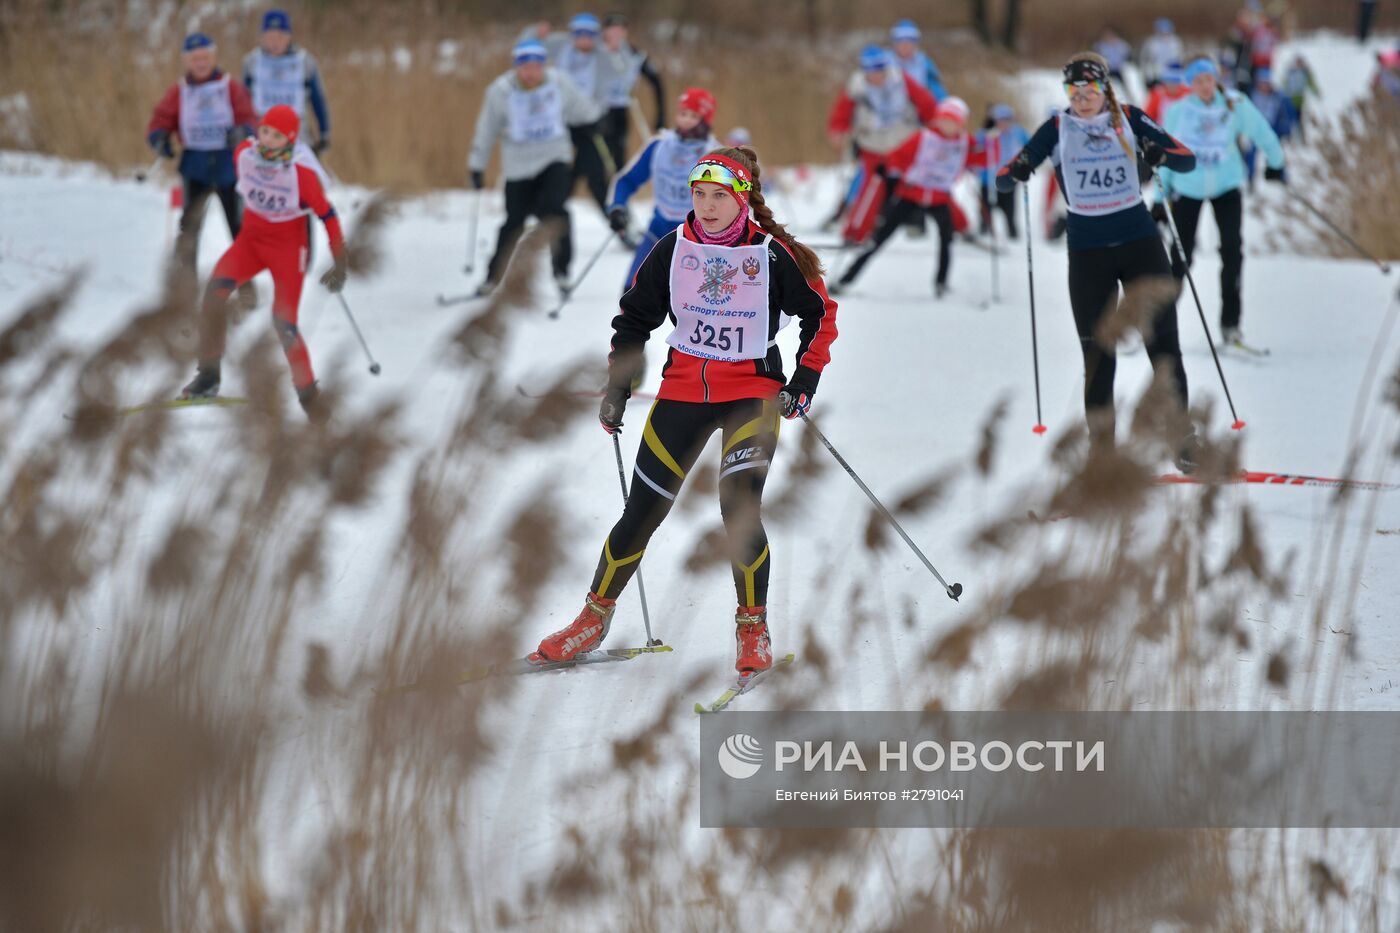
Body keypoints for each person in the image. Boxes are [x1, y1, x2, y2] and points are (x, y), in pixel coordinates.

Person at [529, 148, 838, 674]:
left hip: (752, 395)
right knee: (641, 514)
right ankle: (591, 619)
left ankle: (752, 627)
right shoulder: (673, 248)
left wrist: (803, 380)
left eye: (720, 195)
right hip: (682, 396)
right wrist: (618, 386)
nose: (708, 206)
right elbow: (633, 319)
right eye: (699, 194)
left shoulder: (770, 252)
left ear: (741, 198)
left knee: (738, 509)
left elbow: (821, 315)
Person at [997, 52, 1199, 466]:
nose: (1083, 97)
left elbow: (1186, 159)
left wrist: (1158, 154)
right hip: (1088, 254)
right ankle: (1102, 452)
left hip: (1140, 244)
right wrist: (1018, 170)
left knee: (1163, 345)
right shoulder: (1058, 127)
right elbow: (1007, 174)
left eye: (1091, 89)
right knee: (1097, 354)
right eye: (1074, 90)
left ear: (1105, 88)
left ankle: (1183, 440)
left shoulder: (1129, 118)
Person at [179, 106, 348, 422]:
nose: (267, 140)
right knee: (214, 293)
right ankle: (209, 375)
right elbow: (235, 153)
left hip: (287, 250)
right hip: (251, 243)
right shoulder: (244, 154)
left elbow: (328, 215)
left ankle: (311, 398)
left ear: (290, 141)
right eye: (265, 131)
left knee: (284, 323)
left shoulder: (302, 176)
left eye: (277, 135)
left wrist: (340, 259)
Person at [1159, 57, 1285, 349]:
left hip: (1227, 186)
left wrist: (1276, 163)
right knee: (1179, 257)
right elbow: (1165, 154)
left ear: (1216, 79)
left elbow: (1262, 132)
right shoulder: (1178, 111)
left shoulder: (1234, 103)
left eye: (1209, 79)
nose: (1205, 86)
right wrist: (1159, 196)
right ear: (1189, 85)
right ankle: (1161, 325)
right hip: (1187, 188)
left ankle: (1231, 325)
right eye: (1197, 81)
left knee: (1231, 251)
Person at [467, 38, 601, 295]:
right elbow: (486, 130)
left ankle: (561, 272)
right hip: (518, 167)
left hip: (554, 158)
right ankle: (492, 278)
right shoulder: (500, 92)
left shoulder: (558, 83)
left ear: (543, 66)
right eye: (525, 67)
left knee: (556, 211)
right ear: (516, 67)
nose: (531, 73)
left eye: (536, 66)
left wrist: (594, 121)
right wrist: (477, 165)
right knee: (514, 222)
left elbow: (581, 107)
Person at [830, 98, 985, 298]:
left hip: (940, 197)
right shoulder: (924, 137)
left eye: (952, 121)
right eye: (944, 120)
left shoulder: (965, 143)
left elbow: (983, 158)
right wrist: (885, 167)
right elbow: (898, 155)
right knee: (879, 238)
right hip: (911, 194)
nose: (947, 126)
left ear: (960, 123)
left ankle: (941, 283)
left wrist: (990, 141)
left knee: (946, 240)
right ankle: (846, 279)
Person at [146, 32, 257, 295]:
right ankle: (185, 292)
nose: (200, 63)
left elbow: (250, 118)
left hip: (229, 169)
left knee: (238, 229)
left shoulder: (231, 87)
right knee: (189, 230)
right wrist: (159, 137)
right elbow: (161, 119)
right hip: (195, 169)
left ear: (213, 57)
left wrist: (243, 131)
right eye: (195, 59)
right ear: (187, 61)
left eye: (205, 57)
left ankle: (247, 289)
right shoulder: (179, 91)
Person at [608, 88, 721, 289]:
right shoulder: (659, 146)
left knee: (695, 299)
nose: (686, 120)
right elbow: (627, 180)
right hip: (658, 230)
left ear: (705, 120)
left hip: (697, 236)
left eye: (694, 116)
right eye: (682, 114)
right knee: (632, 291)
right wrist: (617, 206)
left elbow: (732, 200)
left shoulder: (714, 154)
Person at [827, 45, 939, 245]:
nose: (877, 76)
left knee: (922, 182)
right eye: (871, 71)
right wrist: (838, 130)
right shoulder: (856, 86)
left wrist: (935, 124)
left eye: (880, 70)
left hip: (903, 145)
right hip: (873, 147)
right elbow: (842, 112)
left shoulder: (901, 79)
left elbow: (926, 102)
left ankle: (955, 226)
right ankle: (855, 234)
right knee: (870, 191)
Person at [519, 15, 615, 219]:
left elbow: (614, 82)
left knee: (595, 176)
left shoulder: (602, 54)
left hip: (588, 122)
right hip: (559, 122)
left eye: (590, 35)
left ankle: (617, 221)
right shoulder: (560, 44)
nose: (584, 39)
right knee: (557, 173)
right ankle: (548, 217)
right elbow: (524, 47)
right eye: (579, 34)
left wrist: (599, 117)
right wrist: (536, 31)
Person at [241, 9, 331, 154]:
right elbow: (244, 101)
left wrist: (324, 132)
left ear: (289, 36)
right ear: (263, 37)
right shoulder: (252, 62)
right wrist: (245, 131)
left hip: (297, 136)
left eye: (280, 37)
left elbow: (317, 99)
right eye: (270, 37)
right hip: (263, 137)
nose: (275, 42)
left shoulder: (305, 61)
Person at [597, 12, 666, 176]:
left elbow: (657, 83)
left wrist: (660, 116)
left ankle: (616, 196)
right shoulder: (595, 53)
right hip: (598, 112)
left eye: (620, 30)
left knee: (619, 157)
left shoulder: (634, 55)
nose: (616, 35)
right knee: (597, 159)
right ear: (604, 32)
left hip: (621, 110)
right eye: (612, 30)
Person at [976, 103, 1029, 239]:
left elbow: (1030, 145)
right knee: (986, 208)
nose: (1004, 123)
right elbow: (976, 147)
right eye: (1001, 119)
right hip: (988, 179)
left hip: (1008, 177)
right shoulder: (988, 133)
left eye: (1007, 119)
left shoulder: (1018, 132)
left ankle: (1012, 233)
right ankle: (984, 231)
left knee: (1009, 208)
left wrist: (1025, 162)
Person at [1243, 69, 1297, 182]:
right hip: (1255, 128)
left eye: (1266, 83)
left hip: (1272, 127)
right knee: (1251, 152)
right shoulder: (1251, 94)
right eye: (1262, 83)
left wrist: (1285, 129)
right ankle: (1249, 175)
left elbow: (1286, 114)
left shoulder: (1278, 97)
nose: (1264, 86)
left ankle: (1279, 174)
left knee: (1276, 151)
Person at [890, 20, 948, 99]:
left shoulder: (924, 64)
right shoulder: (885, 62)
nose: (905, 46)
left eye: (909, 41)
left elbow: (937, 91)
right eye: (901, 41)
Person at [1282, 54, 1319, 142]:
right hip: (1289, 99)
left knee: (1299, 120)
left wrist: (1316, 91)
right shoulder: (1290, 71)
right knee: (1289, 119)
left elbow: (1311, 83)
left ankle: (1301, 138)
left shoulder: (1305, 72)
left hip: (1300, 100)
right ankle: (1289, 137)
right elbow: (1284, 84)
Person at [1139, 19, 1184, 90]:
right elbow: (1146, 59)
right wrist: (1148, 75)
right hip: (1155, 74)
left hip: (1172, 75)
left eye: (1167, 32)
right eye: (1162, 32)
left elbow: (1178, 57)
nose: (1165, 35)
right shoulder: (1151, 43)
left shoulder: (1175, 42)